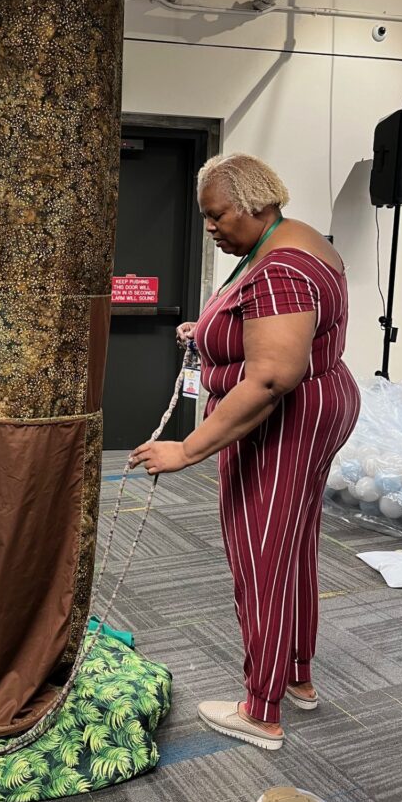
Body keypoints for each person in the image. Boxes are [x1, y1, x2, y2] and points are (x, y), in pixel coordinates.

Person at [129, 152, 360, 751]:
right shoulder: (289, 241)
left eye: (216, 216)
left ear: (255, 203)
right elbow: (261, 328)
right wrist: (206, 331)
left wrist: (187, 450)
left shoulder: (279, 267)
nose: (210, 228)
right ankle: (298, 677)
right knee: (291, 546)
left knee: (262, 555)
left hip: (283, 420)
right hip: (312, 408)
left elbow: (269, 378)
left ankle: (261, 710)